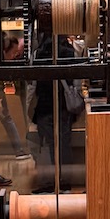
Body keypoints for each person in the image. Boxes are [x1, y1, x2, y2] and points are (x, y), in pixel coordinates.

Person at [32, 34, 79, 191]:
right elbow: (76, 81)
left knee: (46, 143)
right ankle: (64, 181)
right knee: (63, 143)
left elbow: (33, 84)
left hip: (44, 105)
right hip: (63, 105)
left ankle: (48, 181)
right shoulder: (70, 52)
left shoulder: (39, 53)